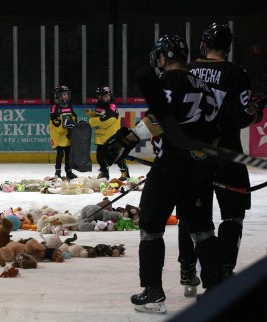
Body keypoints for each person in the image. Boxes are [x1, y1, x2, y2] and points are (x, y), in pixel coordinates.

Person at [105, 35, 224, 314]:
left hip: (170, 166)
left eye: (158, 56)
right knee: (203, 229)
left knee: (150, 227)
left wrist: (128, 139)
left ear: (164, 56)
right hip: (198, 167)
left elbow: (160, 118)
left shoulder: (169, 81)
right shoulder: (204, 86)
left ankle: (153, 293)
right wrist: (200, 157)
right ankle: (218, 291)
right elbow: (215, 131)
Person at [177, 23, 263, 292]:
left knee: (191, 213)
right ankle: (224, 269)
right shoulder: (236, 72)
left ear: (204, 45)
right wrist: (257, 113)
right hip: (227, 154)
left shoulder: (186, 70)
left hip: (192, 154)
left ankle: (188, 268)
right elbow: (241, 116)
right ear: (228, 47)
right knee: (233, 215)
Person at [86, 86, 130, 180]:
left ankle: (125, 172)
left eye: (107, 96)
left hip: (112, 135)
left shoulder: (112, 106)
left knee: (117, 156)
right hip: (101, 136)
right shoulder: (99, 104)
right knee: (100, 157)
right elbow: (101, 115)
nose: (106, 98)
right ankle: (104, 173)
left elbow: (107, 120)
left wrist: (92, 121)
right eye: (104, 96)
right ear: (99, 97)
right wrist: (92, 114)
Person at [49, 85, 78, 179]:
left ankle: (69, 171)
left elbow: (74, 116)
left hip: (68, 135)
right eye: (63, 94)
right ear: (58, 95)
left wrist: (74, 122)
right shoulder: (55, 107)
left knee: (69, 154)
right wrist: (63, 124)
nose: (66, 96)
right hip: (59, 135)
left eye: (66, 94)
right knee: (60, 154)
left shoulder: (69, 105)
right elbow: (53, 120)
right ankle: (57, 172)